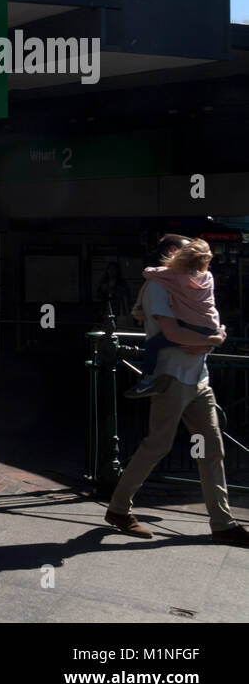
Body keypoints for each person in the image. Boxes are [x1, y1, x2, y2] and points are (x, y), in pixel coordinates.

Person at [105, 234, 248, 546]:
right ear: (172, 252)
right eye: (187, 247)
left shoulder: (186, 286)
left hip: (198, 378)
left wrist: (212, 335)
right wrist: (213, 340)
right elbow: (171, 332)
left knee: (212, 449)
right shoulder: (159, 287)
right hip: (172, 377)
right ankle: (118, 508)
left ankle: (223, 524)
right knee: (157, 445)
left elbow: (199, 323)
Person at [124, 240, 222, 398]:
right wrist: (213, 340)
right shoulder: (208, 277)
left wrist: (212, 341)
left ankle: (146, 381)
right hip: (210, 326)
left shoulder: (174, 279)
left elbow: (148, 273)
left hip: (177, 372)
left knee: (153, 345)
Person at [97, 260, 134, 326]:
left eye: (113, 269)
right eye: (109, 269)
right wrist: (103, 291)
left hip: (119, 310)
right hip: (106, 310)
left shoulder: (122, 282)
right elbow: (98, 296)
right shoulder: (104, 281)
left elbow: (126, 294)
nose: (111, 271)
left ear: (117, 271)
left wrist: (113, 291)